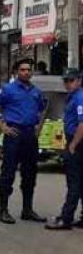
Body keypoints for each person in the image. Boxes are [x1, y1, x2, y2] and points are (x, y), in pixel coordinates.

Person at [0, 58, 48, 224]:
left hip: (30, 135)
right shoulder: (7, 89)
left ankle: (27, 209)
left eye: (29, 70)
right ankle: (3, 210)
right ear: (16, 72)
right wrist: (2, 126)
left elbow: (44, 108)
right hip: (14, 134)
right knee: (8, 173)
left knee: (30, 174)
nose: (26, 72)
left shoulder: (36, 91)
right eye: (22, 70)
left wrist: (39, 128)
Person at [45, 69, 83, 230]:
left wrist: (73, 144)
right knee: (80, 182)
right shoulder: (73, 97)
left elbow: (82, 124)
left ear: (79, 81)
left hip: (78, 143)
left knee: (74, 182)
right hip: (74, 141)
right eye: (66, 81)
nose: (68, 84)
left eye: (71, 80)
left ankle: (66, 218)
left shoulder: (80, 98)